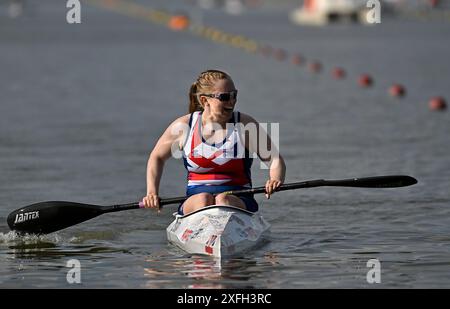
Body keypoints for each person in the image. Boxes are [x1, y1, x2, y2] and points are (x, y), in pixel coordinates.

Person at [141, 69, 286, 215]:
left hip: (238, 200)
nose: (232, 101)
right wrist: (152, 192)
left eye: (234, 95)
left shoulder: (245, 125)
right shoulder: (184, 126)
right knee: (204, 199)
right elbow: (157, 157)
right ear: (205, 100)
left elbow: (274, 159)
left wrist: (274, 179)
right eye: (224, 97)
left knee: (223, 200)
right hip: (196, 201)